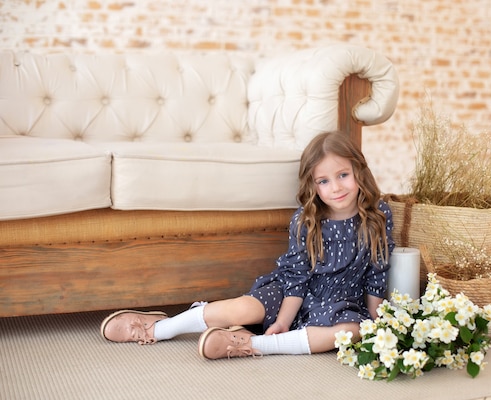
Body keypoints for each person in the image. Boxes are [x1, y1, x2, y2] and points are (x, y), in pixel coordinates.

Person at [100, 130, 395, 359]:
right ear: (313, 185)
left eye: (343, 175)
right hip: (293, 294)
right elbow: (296, 279)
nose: (337, 187)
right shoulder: (306, 220)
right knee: (245, 310)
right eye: (324, 181)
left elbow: (376, 274)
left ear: (359, 170)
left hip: (341, 301)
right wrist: (282, 320)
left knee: (349, 333)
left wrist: (375, 321)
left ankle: (250, 344)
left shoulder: (378, 216)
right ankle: (159, 328)